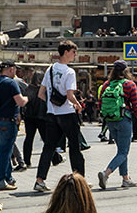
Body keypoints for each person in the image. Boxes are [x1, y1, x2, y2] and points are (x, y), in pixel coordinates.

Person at [34, 40, 85, 193]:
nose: (75, 54)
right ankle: (79, 180)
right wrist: (78, 104)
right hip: (67, 114)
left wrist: (53, 103)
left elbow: (41, 94)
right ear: (66, 51)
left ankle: (39, 180)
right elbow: (70, 95)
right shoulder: (69, 72)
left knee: (49, 147)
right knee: (75, 147)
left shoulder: (49, 69)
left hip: (52, 114)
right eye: (74, 52)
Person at [96, 60, 137, 190]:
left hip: (111, 121)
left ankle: (125, 179)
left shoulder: (106, 84)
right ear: (126, 71)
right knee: (123, 152)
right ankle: (106, 173)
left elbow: (100, 104)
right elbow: (136, 106)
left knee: (121, 151)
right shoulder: (130, 85)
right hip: (124, 120)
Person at [0, 60, 28, 192]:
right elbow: (20, 102)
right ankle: (0, 181)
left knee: (5, 150)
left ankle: (8, 178)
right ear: (11, 69)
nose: (15, 72)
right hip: (7, 121)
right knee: (5, 152)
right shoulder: (10, 82)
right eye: (15, 69)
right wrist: (27, 98)